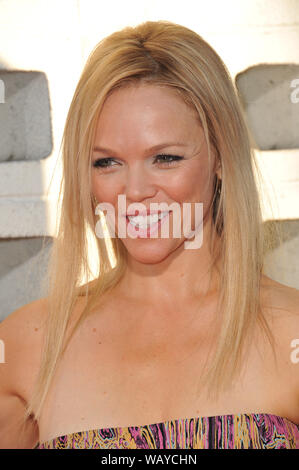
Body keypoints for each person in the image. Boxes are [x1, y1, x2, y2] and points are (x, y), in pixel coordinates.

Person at [0, 20, 299, 450]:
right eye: (106, 163)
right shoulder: (27, 348)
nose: (134, 192)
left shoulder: (289, 333)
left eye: (165, 157)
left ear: (220, 156)